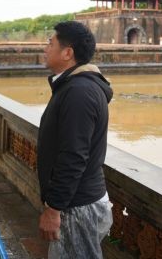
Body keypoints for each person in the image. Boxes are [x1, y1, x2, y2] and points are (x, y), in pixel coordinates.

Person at [37, 21, 113, 259]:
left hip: (78, 206)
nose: (45, 49)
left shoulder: (79, 92)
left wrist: (54, 208)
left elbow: (73, 156)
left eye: (50, 44)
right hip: (77, 201)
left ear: (67, 52)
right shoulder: (72, 86)